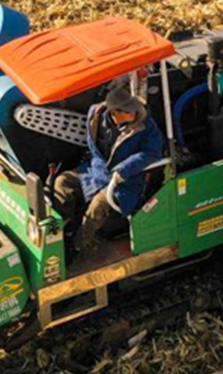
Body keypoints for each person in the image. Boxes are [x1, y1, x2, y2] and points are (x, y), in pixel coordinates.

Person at [53, 86, 164, 256]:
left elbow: (152, 152)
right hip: (95, 172)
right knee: (63, 181)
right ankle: (60, 231)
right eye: (128, 111)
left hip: (126, 181)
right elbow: (94, 148)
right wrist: (98, 168)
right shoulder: (95, 116)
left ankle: (80, 244)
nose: (134, 113)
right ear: (114, 113)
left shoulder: (146, 125)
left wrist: (123, 170)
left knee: (99, 204)